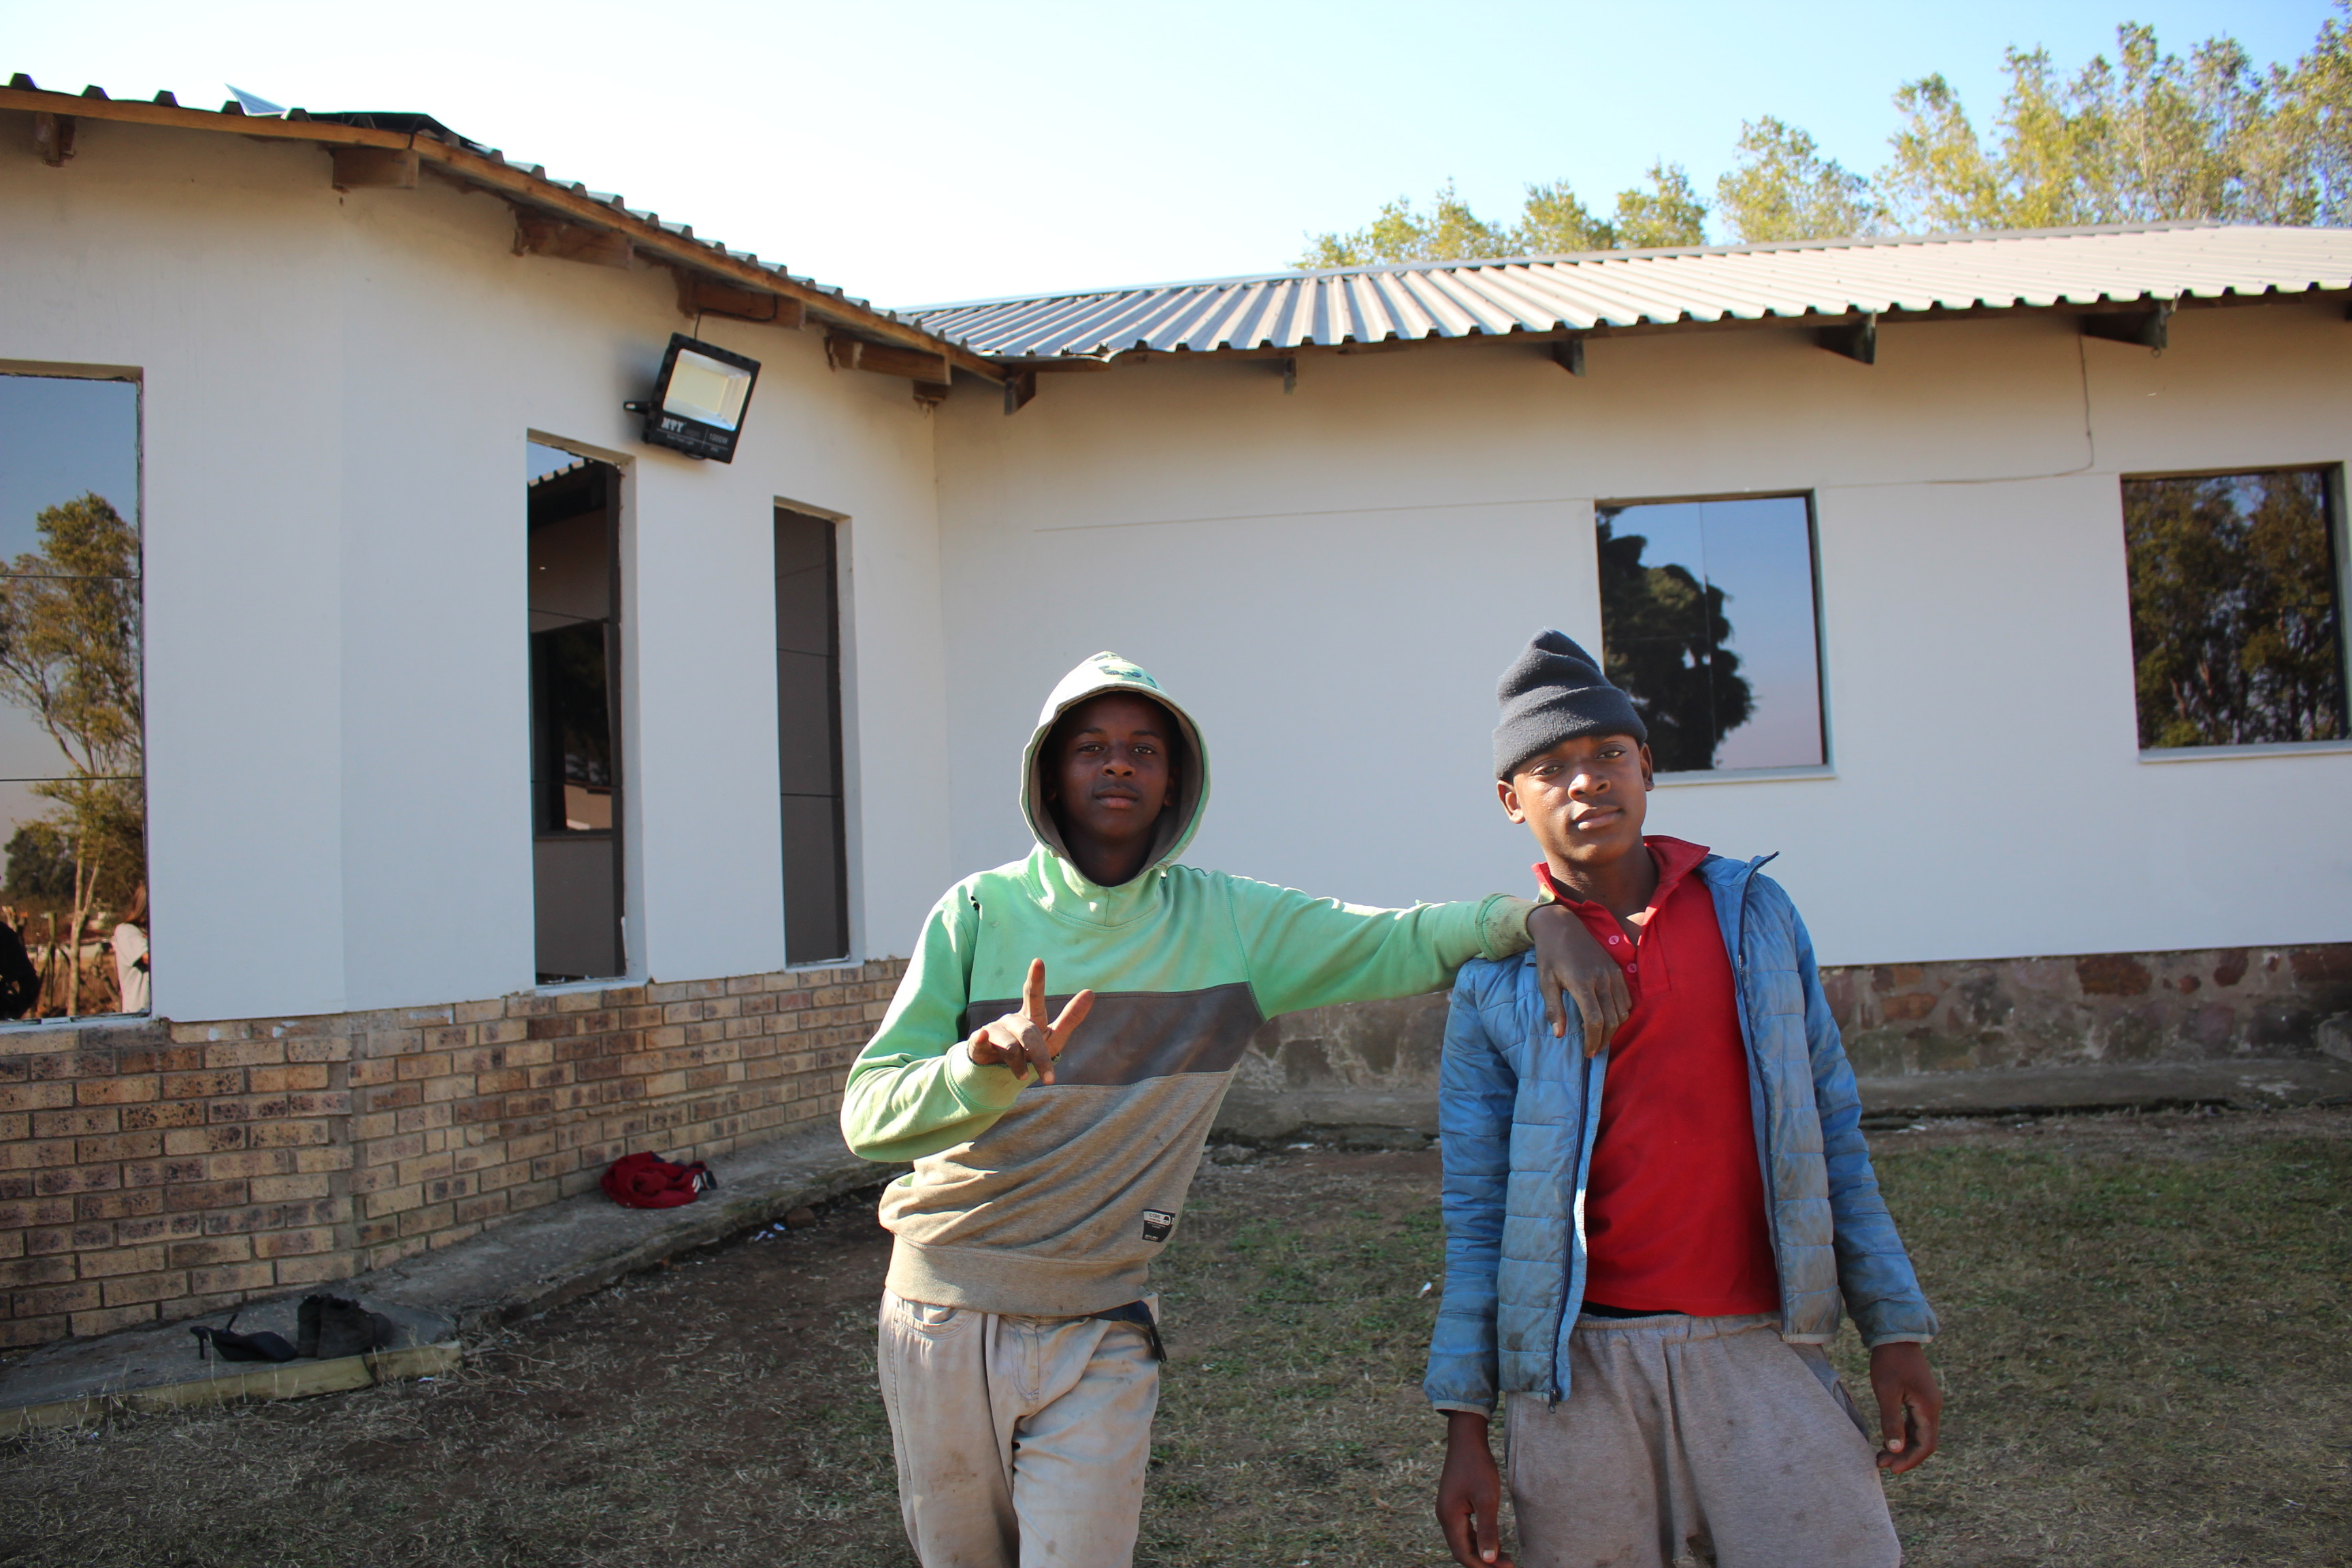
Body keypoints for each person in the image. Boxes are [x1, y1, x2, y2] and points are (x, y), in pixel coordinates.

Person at [841, 651, 1624, 1568]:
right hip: (944, 1309)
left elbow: (1399, 938)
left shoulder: (1230, 926)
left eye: (1144, 748)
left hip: (1103, 1321)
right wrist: (980, 1067)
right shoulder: (975, 913)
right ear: (1049, 774)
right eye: (1091, 747)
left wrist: (1537, 919)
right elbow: (869, 1115)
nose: (1119, 763)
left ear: (1177, 780)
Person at [1426, 631, 1942, 1568]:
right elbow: (1478, 1212)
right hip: (1580, 1368)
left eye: (1608, 754)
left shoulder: (1753, 917)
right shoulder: (1494, 984)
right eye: (1550, 768)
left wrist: (1893, 1330)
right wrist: (1467, 1424)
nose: (1587, 781)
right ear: (1511, 801)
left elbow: (1829, 1132)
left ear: (1647, 768)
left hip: (1760, 1339)